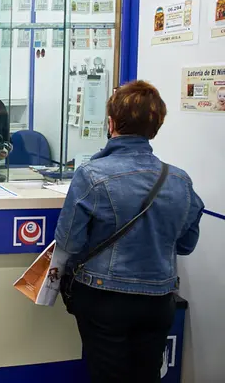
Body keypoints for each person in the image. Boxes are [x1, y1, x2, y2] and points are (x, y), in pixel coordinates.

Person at [55, 81, 204, 383]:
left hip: (104, 298)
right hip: (159, 300)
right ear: (156, 127)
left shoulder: (92, 174)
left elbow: (69, 241)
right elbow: (186, 244)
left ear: (110, 123)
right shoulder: (179, 179)